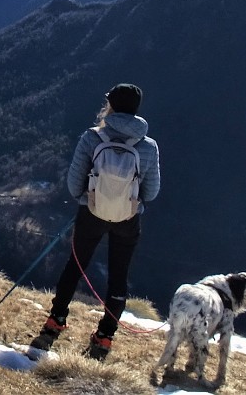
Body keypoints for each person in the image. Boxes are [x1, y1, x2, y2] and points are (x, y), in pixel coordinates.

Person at [30, 83, 161, 361]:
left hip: (91, 214)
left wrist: (87, 199)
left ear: (110, 105)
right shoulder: (148, 146)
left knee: (75, 266)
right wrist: (134, 203)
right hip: (127, 219)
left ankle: (56, 320)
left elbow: (74, 182)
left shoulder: (92, 138)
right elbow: (151, 192)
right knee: (118, 277)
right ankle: (105, 337)